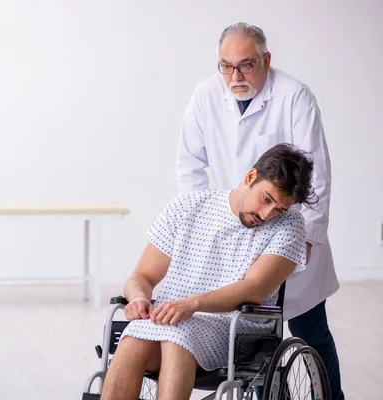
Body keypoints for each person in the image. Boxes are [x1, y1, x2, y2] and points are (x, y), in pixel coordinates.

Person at [175, 22, 343, 400]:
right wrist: (205, 222)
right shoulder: (205, 95)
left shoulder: (295, 96)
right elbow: (189, 167)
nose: (235, 76)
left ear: (266, 60)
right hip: (232, 229)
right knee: (248, 337)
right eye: (226, 66)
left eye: (246, 65)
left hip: (287, 229)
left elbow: (316, 177)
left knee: (310, 332)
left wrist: (306, 243)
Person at [101, 144, 317, 400]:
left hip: (236, 329)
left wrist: (192, 304)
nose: (267, 214)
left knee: (178, 335)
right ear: (250, 177)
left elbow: (254, 289)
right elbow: (142, 277)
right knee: (132, 337)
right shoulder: (188, 206)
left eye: (279, 209)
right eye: (266, 199)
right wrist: (139, 297)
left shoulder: (289, 226)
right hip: (170, 318)